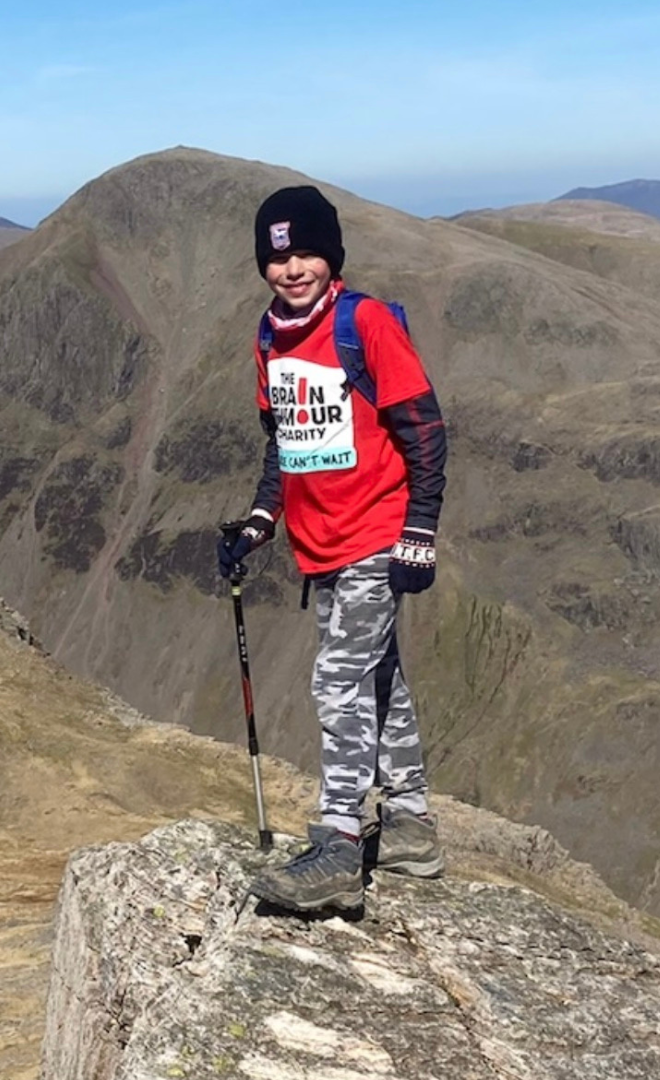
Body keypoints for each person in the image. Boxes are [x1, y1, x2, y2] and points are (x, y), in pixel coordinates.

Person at [218, 185, 448, 913]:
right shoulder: (269, 337)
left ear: (332, 256)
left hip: (377, 535)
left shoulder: (366, 324)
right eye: (278, 256)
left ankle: (340, 845)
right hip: (320, 547)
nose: (293, 269)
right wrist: (260, 521)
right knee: (378, 680)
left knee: (336, 682)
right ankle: (409, 825)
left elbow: (425, 431)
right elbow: (284, 444)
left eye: (307, 252)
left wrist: (419, 532)